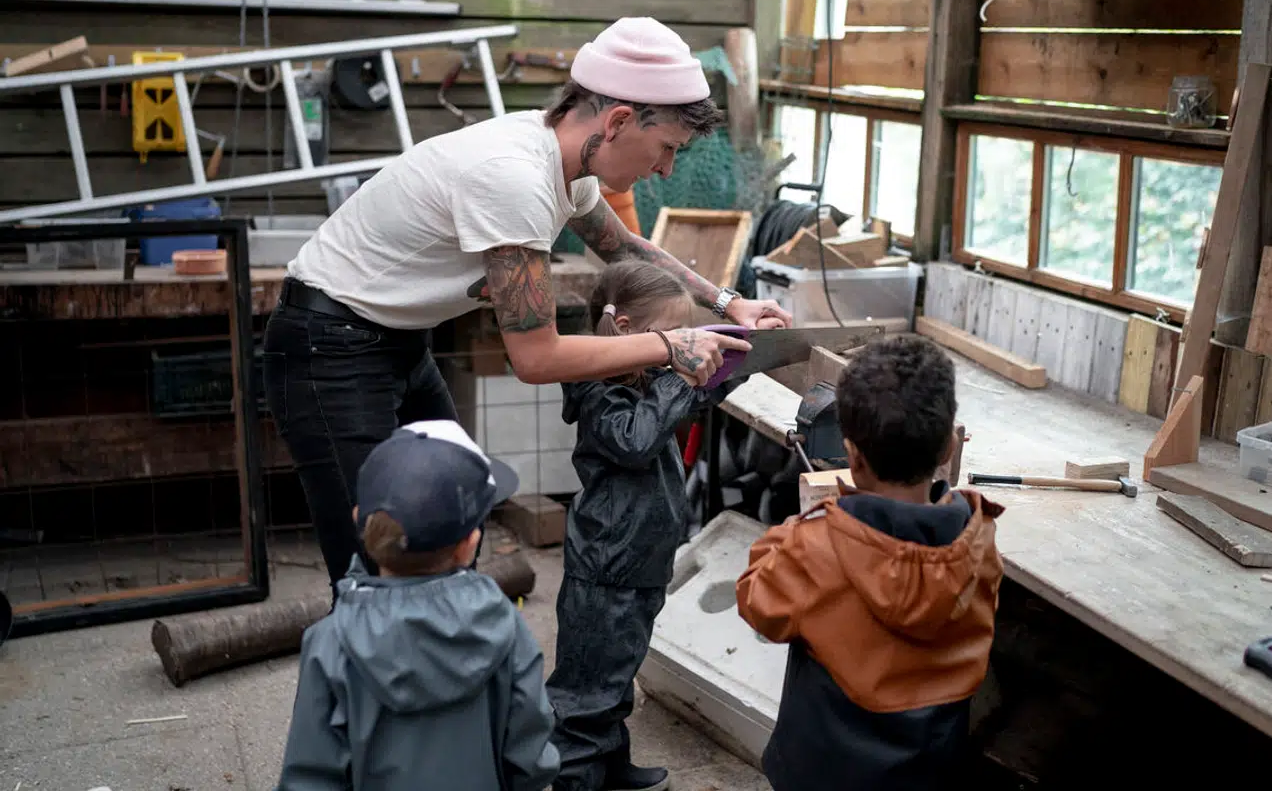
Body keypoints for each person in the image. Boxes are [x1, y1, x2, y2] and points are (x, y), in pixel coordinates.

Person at [262, 16, 791, 588]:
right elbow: (535, 360)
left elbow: (624, 248)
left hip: (393, 340)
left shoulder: (568, 165)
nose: (664, 169)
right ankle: (371, 663)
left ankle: (432, 657)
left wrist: (727, 303)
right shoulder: (514, 178)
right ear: (616, 122)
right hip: (329, 347)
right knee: (375, 559)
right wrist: (668, 345)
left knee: (458, 508)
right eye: (666, 149)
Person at [735, 335, 1006, 791]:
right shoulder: (980, 540)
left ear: (853, 457)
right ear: (948, 451)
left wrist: (801, 524)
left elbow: (756, 602)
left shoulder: (814, 545)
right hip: (928, 770)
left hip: (822, 772)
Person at [274, 418, 558, 791]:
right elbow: (531, 759)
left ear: (359, 520)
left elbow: (310, 777)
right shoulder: (506, 626)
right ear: (470, 544)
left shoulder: (330, 643)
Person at [546, 261, 743, 791]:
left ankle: (609, 766)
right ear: (630, 332)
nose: (677, 348)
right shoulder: (599, 392)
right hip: (607, 564)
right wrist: (678, 376)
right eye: (672, 337)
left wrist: (745, 353)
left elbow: (691, 400)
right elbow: (635, 440)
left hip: (639, 559)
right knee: (586, 690)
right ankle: (575, 778)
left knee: (615, 674)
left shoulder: (644, 379)